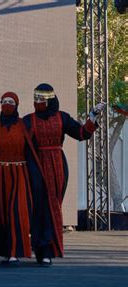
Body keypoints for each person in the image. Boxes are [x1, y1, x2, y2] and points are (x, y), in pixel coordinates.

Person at [23, 83, 104, 266]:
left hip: (58, 165)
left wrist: (92, 117)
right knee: (38, 207)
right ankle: (39, 247)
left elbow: (82, 134)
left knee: (53, 206)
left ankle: (48, 250)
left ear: (50, 100)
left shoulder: (62, 118)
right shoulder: (28, 120)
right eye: (35, 99)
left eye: (41, 100)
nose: (37, 103)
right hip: (36, 167)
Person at [0, 92, 41, 266]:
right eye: (4, 102)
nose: (7, 105)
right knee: (2, 214)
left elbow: (33, 151)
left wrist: (35, 177)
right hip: (1, 175)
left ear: (16, 105)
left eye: (11, 102)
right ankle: (6, 252)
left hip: (21, 175)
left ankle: (17, 252)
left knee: (18, 213)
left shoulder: (25, 126)